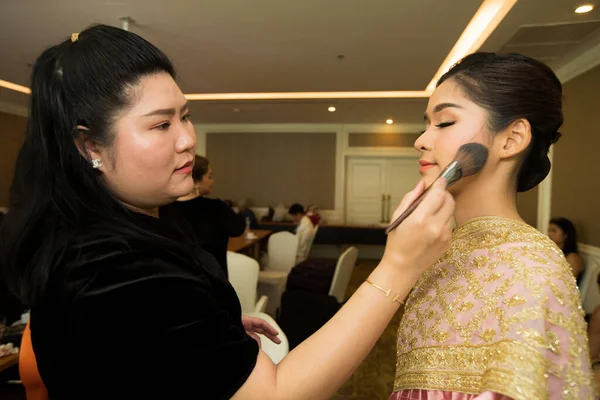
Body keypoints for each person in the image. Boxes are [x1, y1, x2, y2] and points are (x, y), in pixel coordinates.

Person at [0, 25, 454, 400]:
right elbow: (275, 395)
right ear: (90, 146)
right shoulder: (111, 266)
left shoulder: (136, 227)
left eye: (185, 116)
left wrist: (204, 331)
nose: (187, 139)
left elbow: (134, 341)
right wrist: (397, 269)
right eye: (161, 124)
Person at [390, 52, 595, 400]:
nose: (421, 140)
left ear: (512, 138)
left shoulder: (533, 269)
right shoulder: (440, 252)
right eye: (426, 125)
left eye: (444, 123)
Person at [160, 155, 245, 277]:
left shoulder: (163, 209)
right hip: (213, 285)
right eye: (209, 176)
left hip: (175, 283)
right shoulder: (216, 208)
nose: (212, 181)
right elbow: (238, 228)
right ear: (195, 181)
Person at [548, 217, 584, 283]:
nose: (550, 234)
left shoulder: (572, 257)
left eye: (554, 231)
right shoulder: (553, 252)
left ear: (565, 235)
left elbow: (568, 283)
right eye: (549, 230)